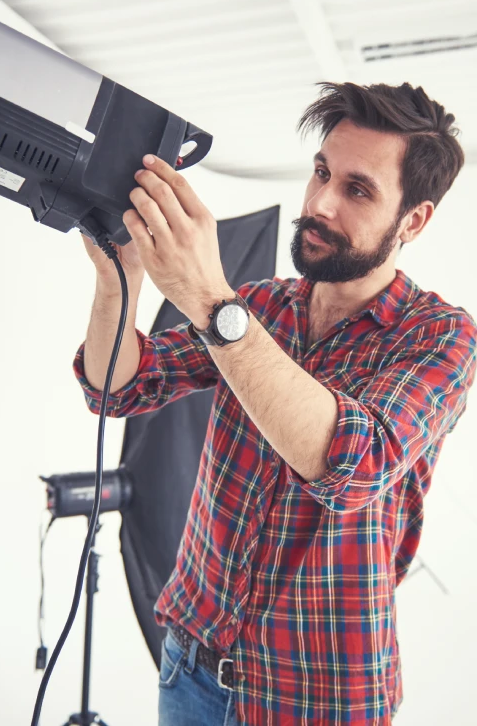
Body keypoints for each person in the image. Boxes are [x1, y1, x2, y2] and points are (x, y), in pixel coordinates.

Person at [72, 82, 477, 725]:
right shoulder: (260, 306)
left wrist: (209, 298)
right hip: (190, 665)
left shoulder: (440, 337)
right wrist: (117, 282)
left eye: (357, 189)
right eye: (321, 172)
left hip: (319, 699)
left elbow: (351, 463)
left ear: (414, 220)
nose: (318, 203)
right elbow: (120, 385)